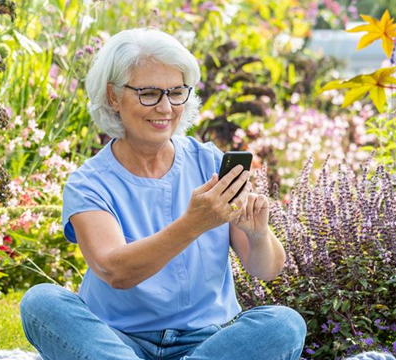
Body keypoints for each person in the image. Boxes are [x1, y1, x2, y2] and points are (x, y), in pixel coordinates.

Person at [19, 28, 307, 360]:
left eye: (176, 92)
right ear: (113, 97)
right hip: (119, 340)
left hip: (207, 342)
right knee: (41, 302)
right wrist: (193, 224)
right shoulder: (89, 184)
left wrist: (258, 235)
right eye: (149, 93)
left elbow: (266, 269)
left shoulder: (211, 163)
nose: (166, 107)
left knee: (285, 324)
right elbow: (116, 271)